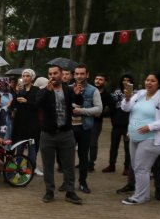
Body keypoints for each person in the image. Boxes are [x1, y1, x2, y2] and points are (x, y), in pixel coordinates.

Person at [120, 72, 160, 205]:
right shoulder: (140, 94)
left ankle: (140, 197)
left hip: (151, 137)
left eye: (153, 81)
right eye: (147, 80)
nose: (149, 83)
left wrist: (150, 127)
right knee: (135, 166)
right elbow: (126, 109)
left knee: (141, 167)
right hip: (134, 136)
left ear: (159, 84)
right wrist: (127, 98)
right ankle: (142, 193)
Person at [36, 64, 84, 205]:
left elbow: (79, 102)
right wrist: (47, 92)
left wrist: (77, 94)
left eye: (55, 73)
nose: (52, 76)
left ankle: (70, 192)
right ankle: (49, 191)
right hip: (47, 134)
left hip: (66, 133)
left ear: (61, 74)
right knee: (48, 165)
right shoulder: (43, 90)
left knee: (69, 165)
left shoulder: (68, 90)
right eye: (50, 74)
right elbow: (37, 105)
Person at [68, 64, 102, 193]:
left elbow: (99, 109)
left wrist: (81, 111)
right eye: (77, 74)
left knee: (83, 157)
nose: (79, 76)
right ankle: (67, 182)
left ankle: (83, 182)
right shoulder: (68, 89)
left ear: (87, 75)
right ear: (73, 75)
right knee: (68, 157)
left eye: (82, 74)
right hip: (69, 128)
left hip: (85, 127)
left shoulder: (93, 90)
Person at [11, 69, 41, 175]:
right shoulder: (21, 90)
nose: (25, 78)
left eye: (27, 76)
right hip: (20, 123)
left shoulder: (36, 90)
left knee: (32, 149)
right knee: (19, 148)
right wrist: (16, 93)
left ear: (32, 78)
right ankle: (18, 169)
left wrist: (27, 101)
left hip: (32, 124)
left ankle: (30, 170)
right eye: (23, 76)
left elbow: (38, 105)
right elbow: (13, 105)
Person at [105, 74, 134, 177]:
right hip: (117, 125)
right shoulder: (116, 93)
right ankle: (111, 165)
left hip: (128, 125)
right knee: (113, 146)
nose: (125, 82)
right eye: (124, 80)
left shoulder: (135, 93)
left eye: (128, 80)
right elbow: (112, 107)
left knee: (128, 148)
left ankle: (126, 167)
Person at [89, 73, 113, 172]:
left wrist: (101, 113)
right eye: (96, 79)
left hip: (96, 122)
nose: (97, 81)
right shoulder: (89, 91)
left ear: (105, 82)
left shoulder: (107, 95)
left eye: (100, 79)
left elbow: (111, 108)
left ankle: (91, 163)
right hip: (85, 119)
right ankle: (83, 161)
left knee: (93, 143)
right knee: (83, 143)